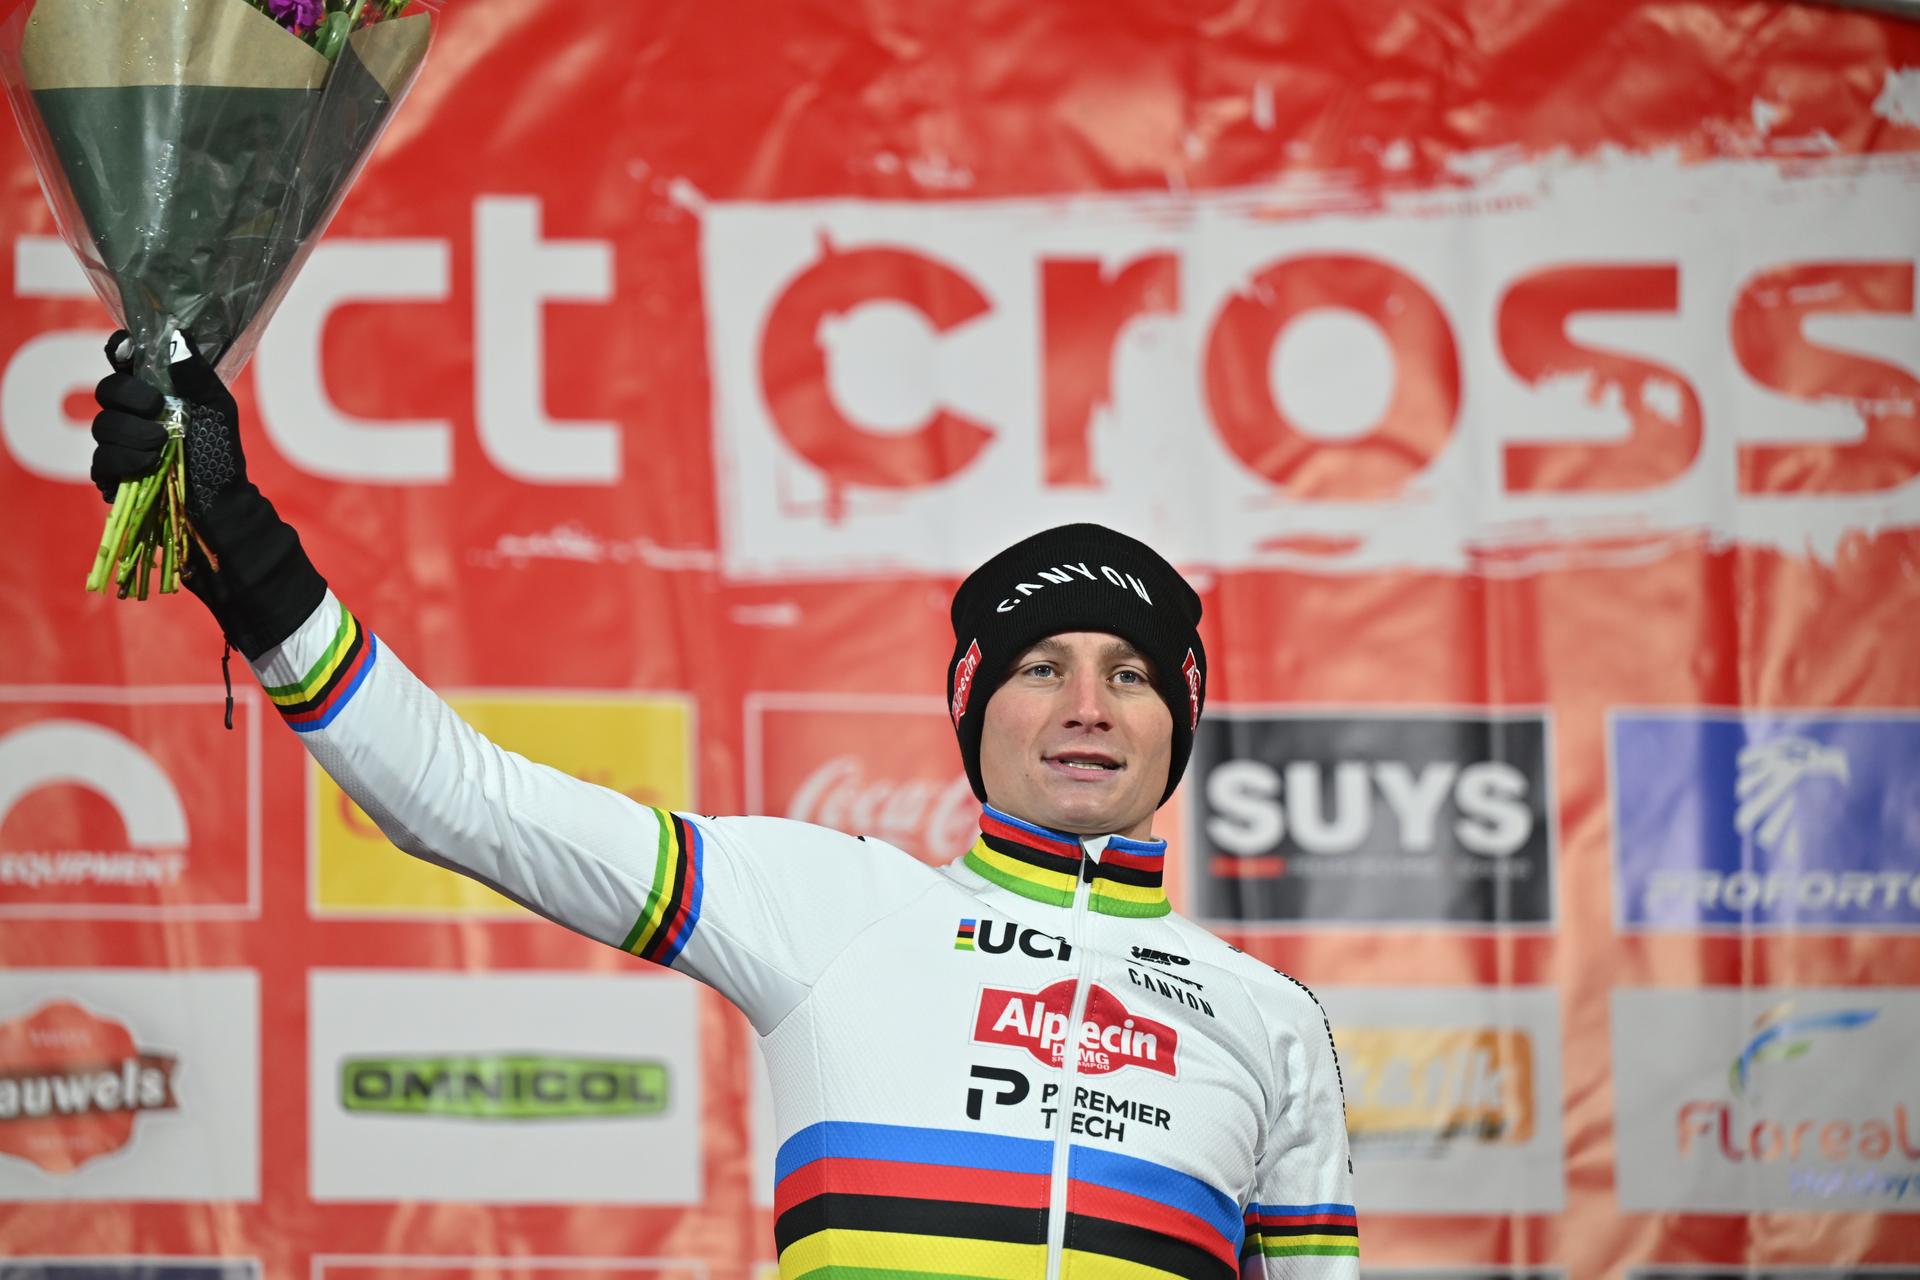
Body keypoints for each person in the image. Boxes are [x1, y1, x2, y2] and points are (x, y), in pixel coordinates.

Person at [90, 335, 1357, 1278]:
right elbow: (464, 800)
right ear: (975, 712)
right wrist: (254, 562)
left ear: (1177, 724)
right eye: (1041, 669)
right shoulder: (833, 907)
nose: (1088, 706)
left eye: (1130, 676)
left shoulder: (1271, 1018)